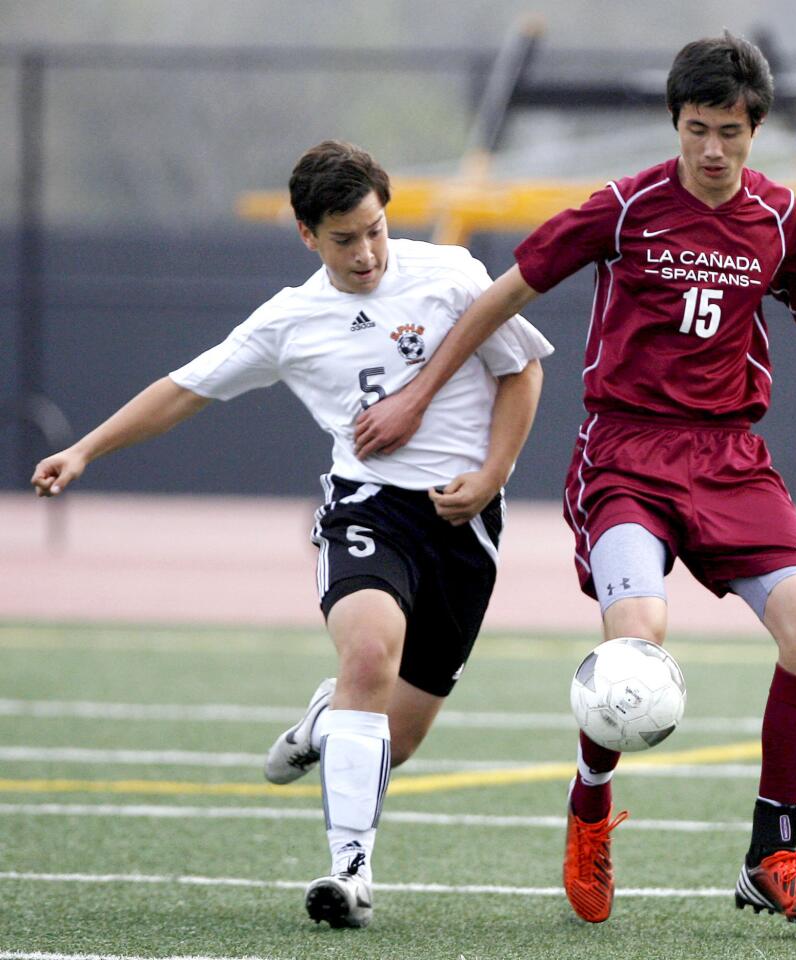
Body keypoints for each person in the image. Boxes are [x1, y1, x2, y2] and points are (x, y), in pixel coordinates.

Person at [351, 34, 796, 928]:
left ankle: (771, 857)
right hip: (627, 457)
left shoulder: (779, 221)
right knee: (639, 640)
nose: (712, 149)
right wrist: (421, 395)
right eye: (698, 129)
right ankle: (591, 803)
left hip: (732, 461)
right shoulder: (624, 209)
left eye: (731, 133)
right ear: (676, 123)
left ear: (755, 131)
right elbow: (504, 294)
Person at [31, 140, 553, 930]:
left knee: (394, 741)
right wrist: (83, 449)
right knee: (369, 654)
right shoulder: (289, 319)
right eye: (345, 239)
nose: (367, 252)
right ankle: (351, 871)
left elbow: (522, 372)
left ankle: (320, 723)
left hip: (464, 523)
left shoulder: (450, 276)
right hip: (368, 509)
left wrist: (489, 475)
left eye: (376, 229)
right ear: (307, 235)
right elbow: (184, 390)